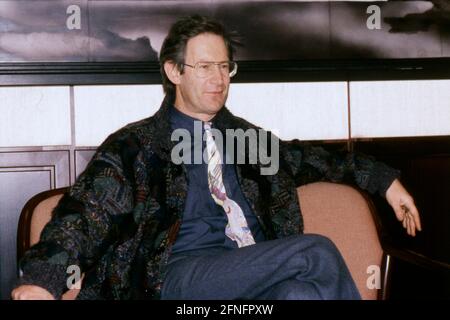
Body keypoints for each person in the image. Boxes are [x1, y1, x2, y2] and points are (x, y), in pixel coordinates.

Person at [12, 15, 421, 300]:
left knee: (299, 293)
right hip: (177, 278)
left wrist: (385, 182)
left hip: (248, 277)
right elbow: (84, 215)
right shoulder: (136, 146)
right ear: (174, 72)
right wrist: (43, 280)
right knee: (314, 251)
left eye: (225, 66)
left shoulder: (245, 138)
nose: (220, 79)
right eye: (205, 66)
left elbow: (312, 160)